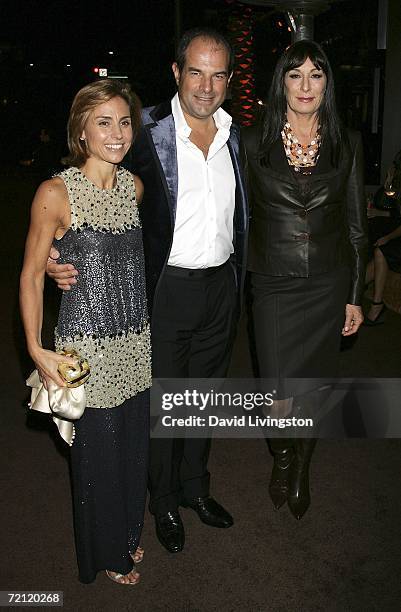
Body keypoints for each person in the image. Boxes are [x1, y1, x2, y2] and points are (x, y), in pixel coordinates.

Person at [47, 28, 248, 553]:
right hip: (165, 288)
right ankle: (162, 503)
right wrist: (57, 253)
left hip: (222, 286)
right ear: (177, 72)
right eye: (196, 72)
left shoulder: (237, 134)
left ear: (229, 79)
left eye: (218, 74)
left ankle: (195, 490)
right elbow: (91, 184)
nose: (207, 86)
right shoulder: (145, 130)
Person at [20, 79, 151, 584]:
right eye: (104, 122)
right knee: (98, 459)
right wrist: (35, 347)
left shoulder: (133, 188)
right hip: (86, 351)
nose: (117, 133)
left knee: (133, 449)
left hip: (136, 344)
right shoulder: (55, 192)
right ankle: (107, 554)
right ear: (81, 129)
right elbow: (31, 273)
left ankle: (127, 535)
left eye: (124, 122)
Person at [242, 40, 367, 519]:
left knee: (313, 387)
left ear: (327, 84)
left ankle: (301, 468)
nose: (306, 85)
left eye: (316, 75)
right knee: (278, 391)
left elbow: (357, 226)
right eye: (296, 75)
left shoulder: (346, 142)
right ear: (282, 83)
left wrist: (356, 296)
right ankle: (282, 451)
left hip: (328, 284)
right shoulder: (253, 142)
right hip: (273, 283)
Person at [364, 150, 401, 324]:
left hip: (397, 236)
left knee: (381, 249)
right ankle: (350, 293)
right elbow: (388, 205)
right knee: (375, 239)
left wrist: (388, 238)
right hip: (395, 232)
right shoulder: (395, 186)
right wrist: (388, 181)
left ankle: (377, 305)